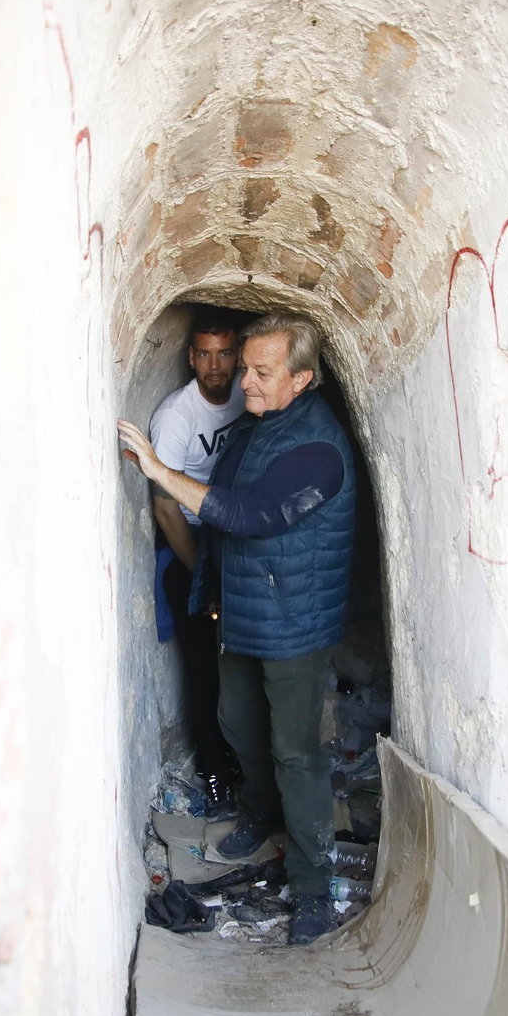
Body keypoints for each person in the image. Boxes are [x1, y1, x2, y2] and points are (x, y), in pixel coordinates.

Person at [119, 312, 355, 946]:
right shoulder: (261, 427)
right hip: (245, 611)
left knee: (296, 753)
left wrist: (161, 473)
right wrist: (214, 591)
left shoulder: (318, 448)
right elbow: (229, 525)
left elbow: (251, 514)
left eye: (260, 371)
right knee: (238, 724)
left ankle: (312, 889)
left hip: (295, 623)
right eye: (243, 367)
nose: (243, 382)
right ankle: (260, 812)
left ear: (301, 379)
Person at [147, 315, 247, 812]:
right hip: (187, 540)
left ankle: (243, 761)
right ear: (191, 357)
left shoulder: (245, 395)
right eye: (204, 354)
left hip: (233, 532)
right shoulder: (176, 418)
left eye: (224, 353)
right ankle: (213, 770)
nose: (215, 366)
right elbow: (166, 507)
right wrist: (204, 580)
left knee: (243, 661)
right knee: (205, 666)